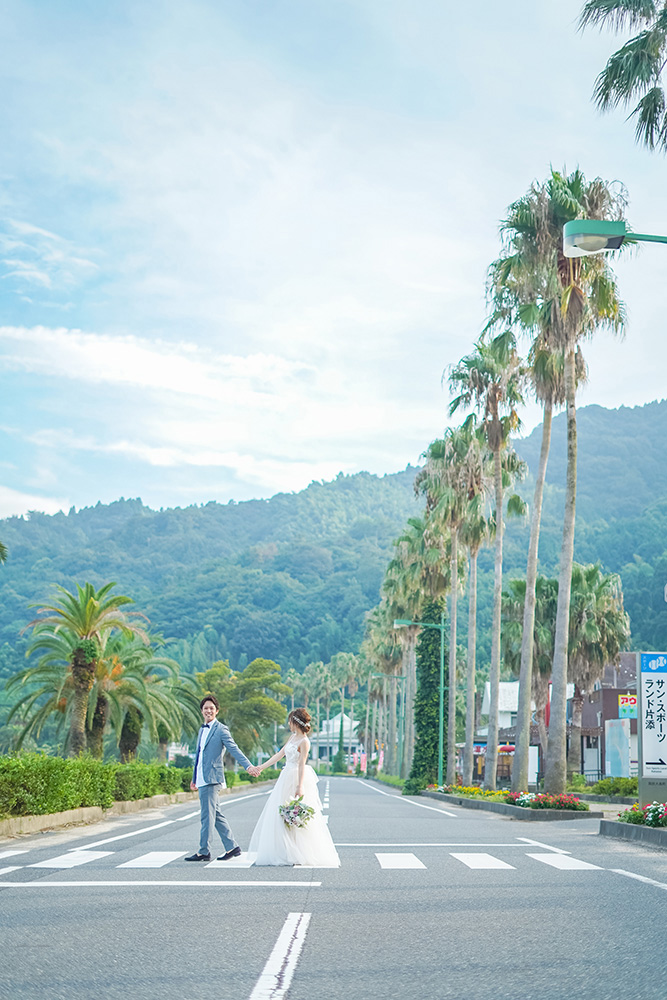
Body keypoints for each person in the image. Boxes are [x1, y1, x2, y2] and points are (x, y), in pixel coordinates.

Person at [248, 708, 340, 867]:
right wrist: (261, 767)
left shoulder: (304, 741)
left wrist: (299, 786)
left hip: (296, 777)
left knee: (295, 815)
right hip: (285, 777)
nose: (288, 724)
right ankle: (285, 850)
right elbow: (279, 755)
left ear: (295, 722)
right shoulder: (292, 738)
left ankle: (300, 851)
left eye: (290, 721)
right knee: (283, 813)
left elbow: (302, 764)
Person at [185, 695, 261, 862]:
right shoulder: (201, 730)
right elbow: (198, 756)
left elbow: (234, 749)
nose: (209, 711)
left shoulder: (221, 729)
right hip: (202, 778)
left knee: (207, 815)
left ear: (217, 711)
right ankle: (232, 847)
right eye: (206, 708)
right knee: (215, 814)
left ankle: (203, 851)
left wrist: (248, 766)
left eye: (212, 708)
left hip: (212, 778)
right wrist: (194, 778)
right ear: (202, 711)